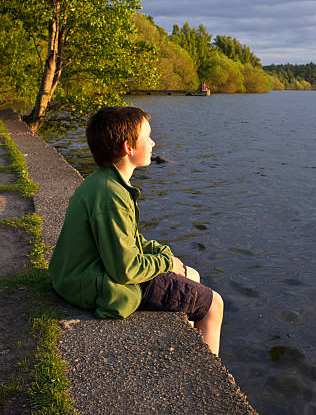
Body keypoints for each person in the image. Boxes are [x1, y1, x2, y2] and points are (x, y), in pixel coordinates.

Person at [49, 106, 223, 356]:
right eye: (148, 136)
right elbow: (125, 269)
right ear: (128, 148)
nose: (153, 142)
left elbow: (125, 238)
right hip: (89, 282)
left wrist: (162, 254)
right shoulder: (110, 195)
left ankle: (187, 351)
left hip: (76, 275)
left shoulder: (105, 181)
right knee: (214, 305)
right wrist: (165, 262)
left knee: (190, 275)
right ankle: (206, 385)